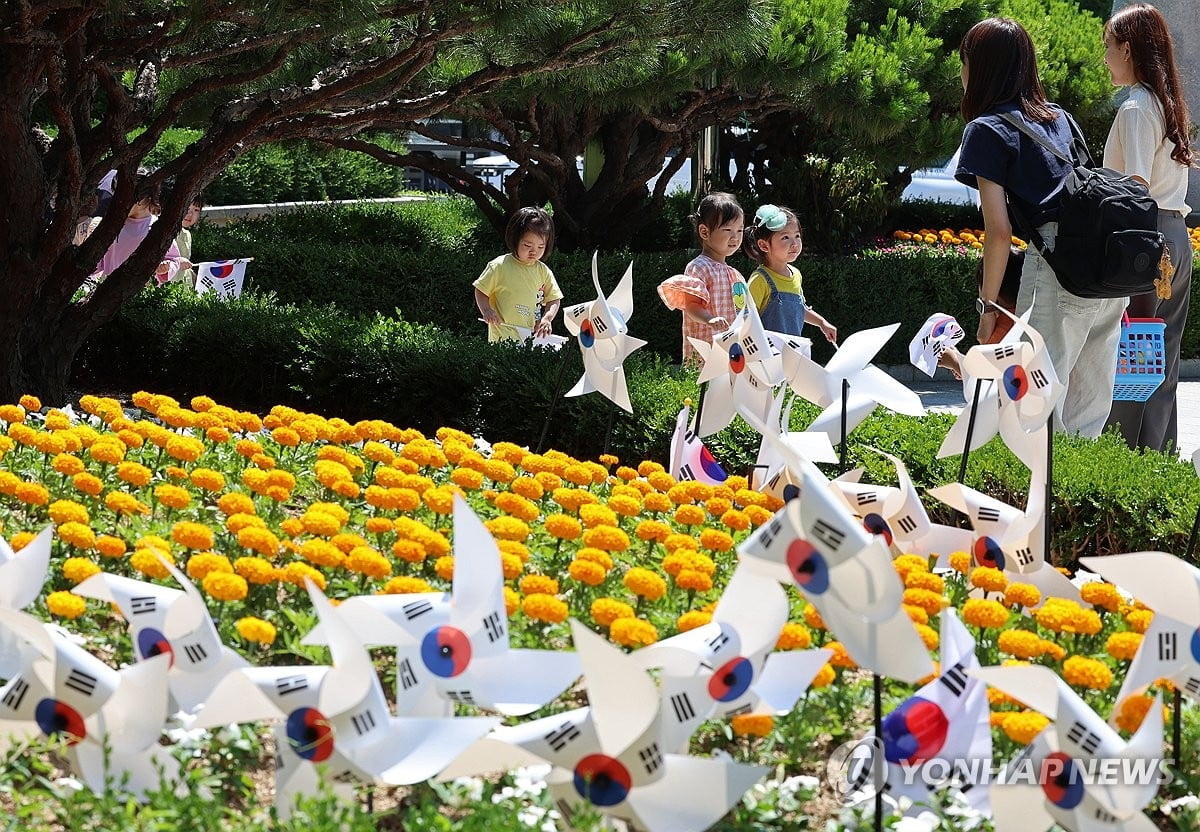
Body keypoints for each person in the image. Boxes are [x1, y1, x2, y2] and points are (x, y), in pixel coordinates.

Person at [955, 17, 1124, 438]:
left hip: (1058, 266)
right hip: (1108, 270)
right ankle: (1081, 502)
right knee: (1087, 416)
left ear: (979, 67)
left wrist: (988, 309)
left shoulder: (986, 129)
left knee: (1034, 410)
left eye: (964, 61)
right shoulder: (1060, 118)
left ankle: (1041, 503)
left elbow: (998, 231)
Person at [1101, 3, 1193, 453]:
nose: (1106, 58)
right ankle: (1157, 459)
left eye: (1109, 47)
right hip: (1175, 236)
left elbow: (1134, 188)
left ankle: (1123, 461)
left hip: (1145, 241)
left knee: (1131, 355)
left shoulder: (1137, 107)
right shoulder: (1166, 103)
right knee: (1163, 357)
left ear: (1129, 48)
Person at [657, 192, 747, 364]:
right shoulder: (699, 267)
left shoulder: (734, 273)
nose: (735, 237)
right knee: (707, 389)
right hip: (706, 350)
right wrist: (709, 319)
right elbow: (691, 305)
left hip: (731, 350)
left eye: (740, 230)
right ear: (705, 232)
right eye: (728, 229)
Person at [743, 203, 837, 343]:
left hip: (792, 352)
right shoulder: (759, 280)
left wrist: (821, 323)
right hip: (767, 357)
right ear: (764, 245)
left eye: (797, 236)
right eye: (785, 237)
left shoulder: (796, 275)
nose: (795, 243)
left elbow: (799, 308)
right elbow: (746, 319)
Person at [473, 207, 563, 342]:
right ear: (515, 240)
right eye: (528, 245)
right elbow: (480, 290)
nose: (534, 252)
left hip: (531, 338)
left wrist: (547, 319)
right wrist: (487, 311)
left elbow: (554, 298)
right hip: (501, 337)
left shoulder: (543, 271)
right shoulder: (499, 266)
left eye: (540, 247)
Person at [81, 172, 179, 288]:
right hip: (108, 291)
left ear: (146, 197)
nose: (121, 202)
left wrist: (166, 267)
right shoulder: (110, 225)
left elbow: (174, 258)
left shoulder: (157, 228)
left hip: (140, 294)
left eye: (128, 197)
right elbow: (96, 262)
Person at [173, 193, 205, 288]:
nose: (190, 214)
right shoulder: (163, 233)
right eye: (187, 208)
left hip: (184, 288)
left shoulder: (187, 234)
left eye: (196, 210)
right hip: (165, 288)